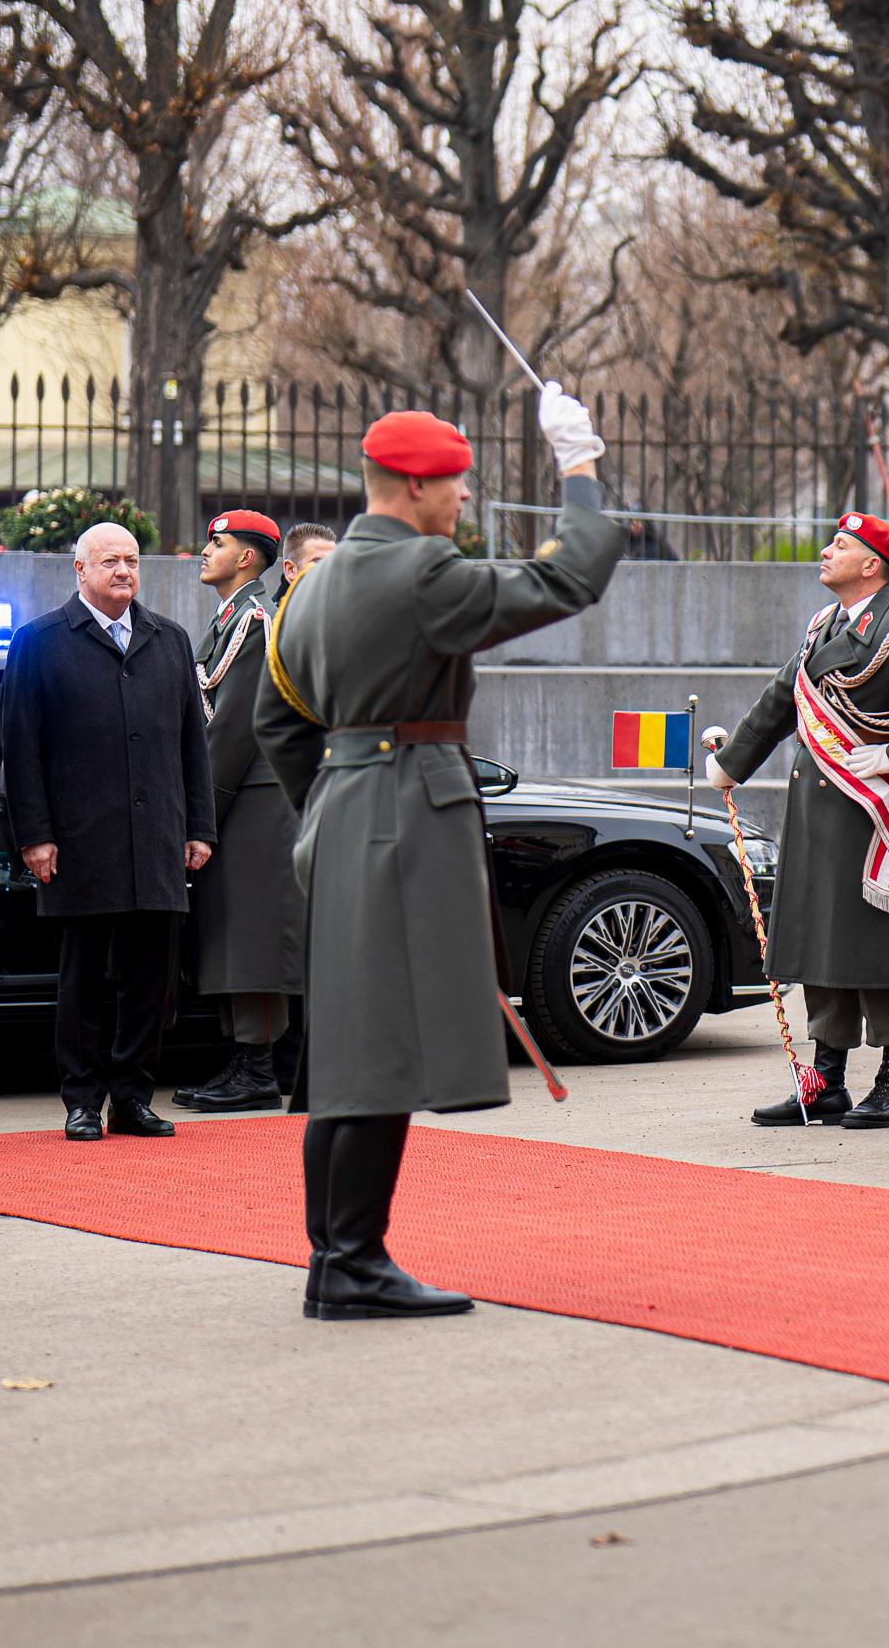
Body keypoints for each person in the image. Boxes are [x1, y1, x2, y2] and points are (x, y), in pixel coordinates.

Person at [258, 396, 620, 1319]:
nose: (463, 496)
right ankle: (352, 1265)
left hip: (344, 810)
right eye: (454, 481)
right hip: (404, 809)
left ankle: (337, 1259)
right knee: (377, 1050)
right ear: (413, 486)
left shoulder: (312, 584)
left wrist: (333, 806)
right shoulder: (421, 570)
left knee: (346, 1046)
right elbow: (570, 579)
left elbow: (277, 720)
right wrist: (577, 467)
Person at [711, 512, 889, 1130]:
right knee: (823, 946)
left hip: (869, 814)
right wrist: (732, 764)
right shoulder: (825, 624)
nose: (826, 552)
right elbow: (782, 697)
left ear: (872, 565)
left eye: (840, 545)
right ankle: (826, 1081)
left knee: (879, 950)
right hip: (821, 810)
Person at [3, 521, 215, 1142]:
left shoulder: (169, 640)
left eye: (131, 561)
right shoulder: (39, 641)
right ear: (80, 570)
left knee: (152, 982)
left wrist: (197, 826)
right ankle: (82, 1098)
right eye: (109, 561)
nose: (123, 571)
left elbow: (191, 746)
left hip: (156, 842)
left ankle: (133, 1096)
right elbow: (21, 750)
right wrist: (34, 835)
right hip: (79, 842)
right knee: (84, 982)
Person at [174, 510, 304, 1115]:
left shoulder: (255, 621)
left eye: (217, 543)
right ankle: (243, 1060)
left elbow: (232, 731)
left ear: (247, 558)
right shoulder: (230, 617)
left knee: (248, 938)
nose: (206, 552)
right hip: (239, 798)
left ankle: (255, 1069)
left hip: (249, 799)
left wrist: (201, 812)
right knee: (230, 934)